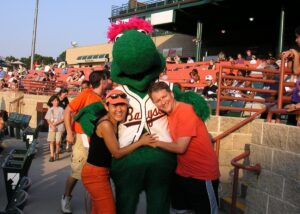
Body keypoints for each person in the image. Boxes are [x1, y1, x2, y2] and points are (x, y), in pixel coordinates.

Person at [148, 81, 220, 214]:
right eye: (158, 100)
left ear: (171, 94)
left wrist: (155, 142)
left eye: (164, 97)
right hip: (183, 173)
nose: (162, 102)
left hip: (202, 175)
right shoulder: (168, 114)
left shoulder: (186, 111)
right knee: (180, 210)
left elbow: (180, 147)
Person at [81, 89, 157, 214]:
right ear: (106, 106)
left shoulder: (114, 122)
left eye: (122, 105)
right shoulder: (106, 124)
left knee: (98, 210)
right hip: (95, 174)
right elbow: (116, 153)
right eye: (114, 105)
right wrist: (141, 142)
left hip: (100, 173)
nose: (119, 109)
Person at [61, 70, 108, 213]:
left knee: (96, 173)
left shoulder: (104, 97)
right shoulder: (86, 94)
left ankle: (95, 202)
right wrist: (69, 132)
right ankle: (66, 197)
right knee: (77, 172)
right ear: (102, 81)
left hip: (97, 140)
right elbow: (68, 110)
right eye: (108, 79)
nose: (110, 81)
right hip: (82, 139)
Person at [45, 95, 65, 162]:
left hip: (59, 128)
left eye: (56, 100)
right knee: (51, 141)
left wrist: (55, 123)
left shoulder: (61, 109)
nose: (55, 102)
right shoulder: (50, 109)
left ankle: (57, 152)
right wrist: (52, 125)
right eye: (54, 101)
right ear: (51, 102)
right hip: (51, 128)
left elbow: (63, 118)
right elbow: (47, 119)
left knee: (58, 142)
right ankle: (52, 156)